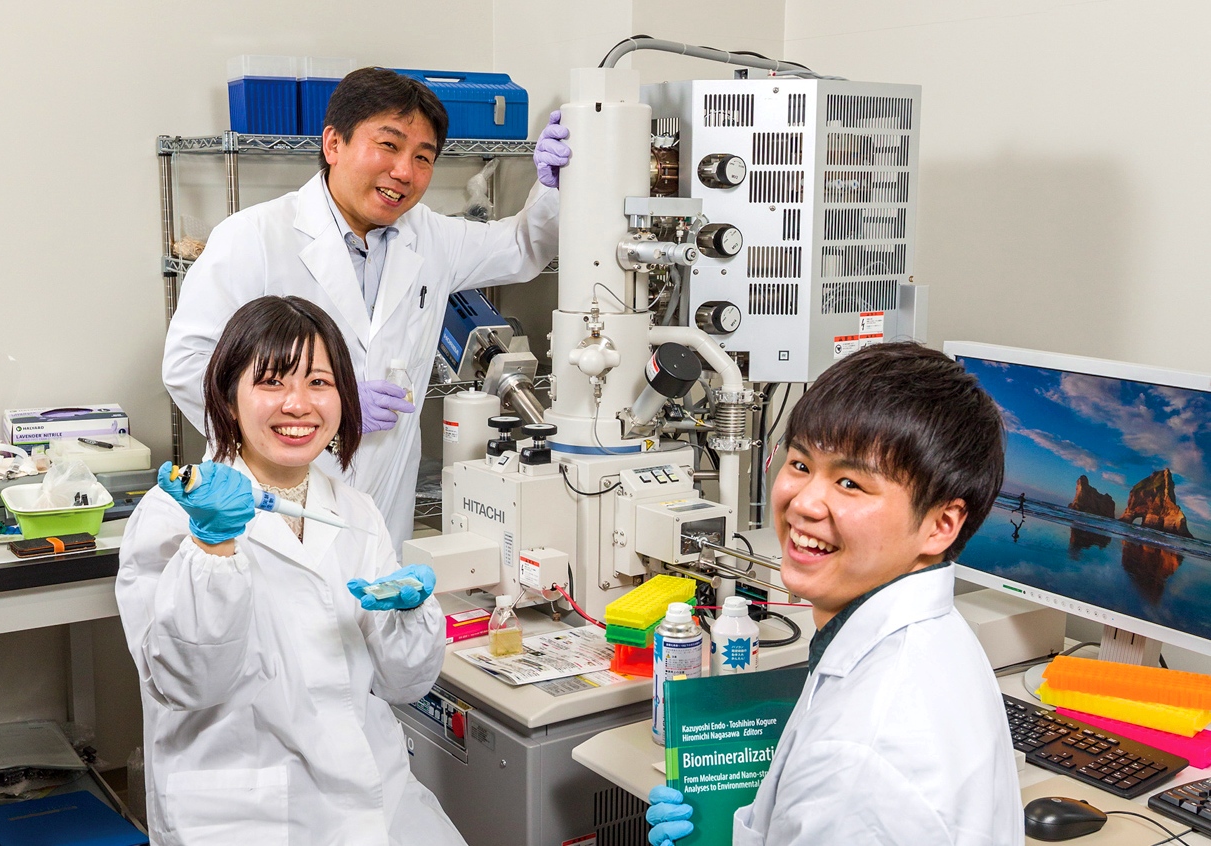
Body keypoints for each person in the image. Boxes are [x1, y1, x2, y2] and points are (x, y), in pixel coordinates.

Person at [163, 66, 570, 552]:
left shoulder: (431, 237)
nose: (404, 172)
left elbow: (522, 247)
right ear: (333, 143)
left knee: (372, 595)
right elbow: (187, 365)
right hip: (271, 506)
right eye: (389, 145)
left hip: (380, 513)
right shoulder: (254, 237)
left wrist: (554, 186)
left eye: (423, 157)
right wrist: (327, 403)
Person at [118, 296, 463, 845]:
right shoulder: (173, 515)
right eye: (271, 382)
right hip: (244, 814)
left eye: (319, 383)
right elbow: (188, 683)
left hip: (375, 794)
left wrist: (411, 616)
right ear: (228, 398)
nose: (298, 404)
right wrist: (213, 547)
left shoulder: (355, 511)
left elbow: (404, 684)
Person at [648, 341, 1023, 845]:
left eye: (850, 483)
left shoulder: (859, 761)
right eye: (801, 465)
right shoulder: (929, 637)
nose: (804, 503)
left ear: (941, 525)